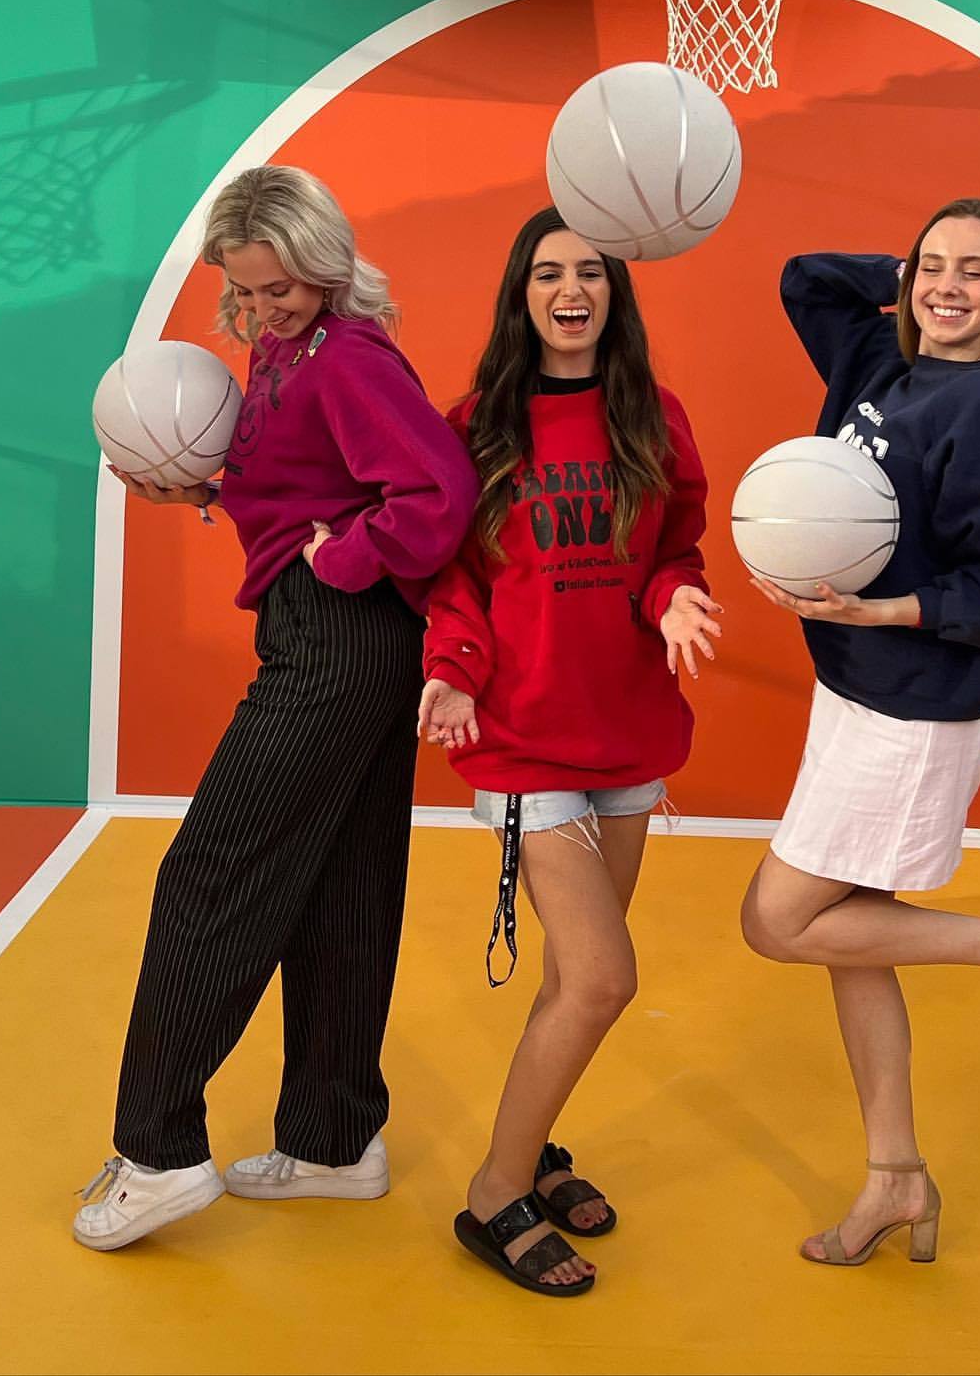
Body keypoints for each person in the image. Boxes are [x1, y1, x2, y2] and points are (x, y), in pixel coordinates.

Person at [74, 164, 478, 1251]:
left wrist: (343, 559)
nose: (263, 309)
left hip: (337, 638)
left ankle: (157, 1152)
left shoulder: (347, 356)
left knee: (210, 873)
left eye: (281, 288)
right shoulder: (282, 349)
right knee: (342, 884)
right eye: (246, 291)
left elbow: (439, 493)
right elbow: (306, 484)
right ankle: (335, 1139)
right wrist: (204, 491)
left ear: (325, 263)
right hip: (344, 638)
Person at [740, 197, 980, 1270]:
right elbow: (807, 276)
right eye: (932, 265)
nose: (948, 285)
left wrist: (885, 611)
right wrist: (904, 277)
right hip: (854, 694)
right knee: (851, 940)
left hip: (910, 712)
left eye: (974, 271)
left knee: (778, 921)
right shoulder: (882, 363)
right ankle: (896, 1175)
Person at [420, 206, 720, 1298]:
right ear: (523, 294)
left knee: (565, 976)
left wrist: (676, 596)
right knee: (601, 977)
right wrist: (453, 666)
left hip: (626, 731)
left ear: (613, 292)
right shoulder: (475, 425)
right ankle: (496, 1191)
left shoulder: (654, 415)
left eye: (590, 271)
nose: (570, 289)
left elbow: (674, 547)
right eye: (548, 273)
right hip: (522, 738)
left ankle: (536, 1147)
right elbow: (450, 570)